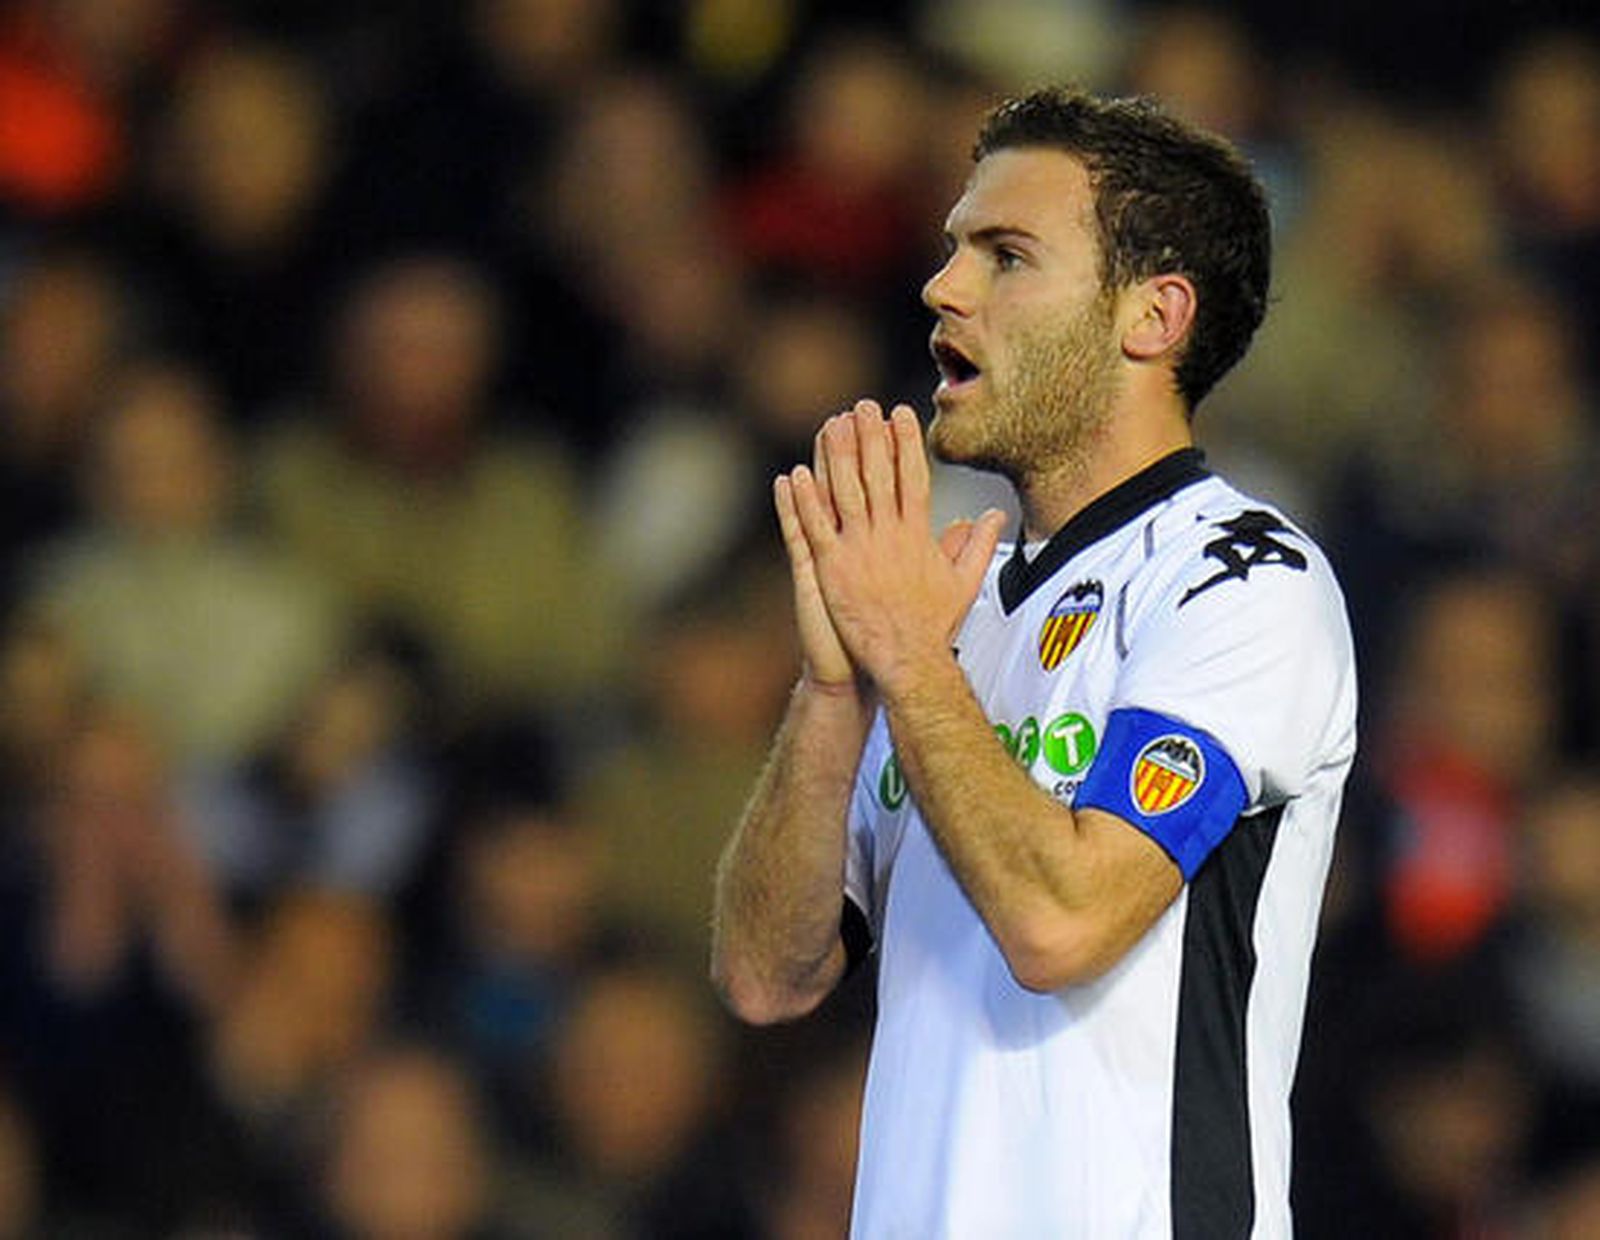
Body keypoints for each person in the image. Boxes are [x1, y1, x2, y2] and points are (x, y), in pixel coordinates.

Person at [710, 86, 1358, 1237]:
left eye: (1005, 255)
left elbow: (1061, 926)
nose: (943, 287)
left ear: (1152, 315)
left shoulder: (1241, 581)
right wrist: (831, 693)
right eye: (953, 247)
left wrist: (905, 657)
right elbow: (768, 974)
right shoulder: (947, 608)